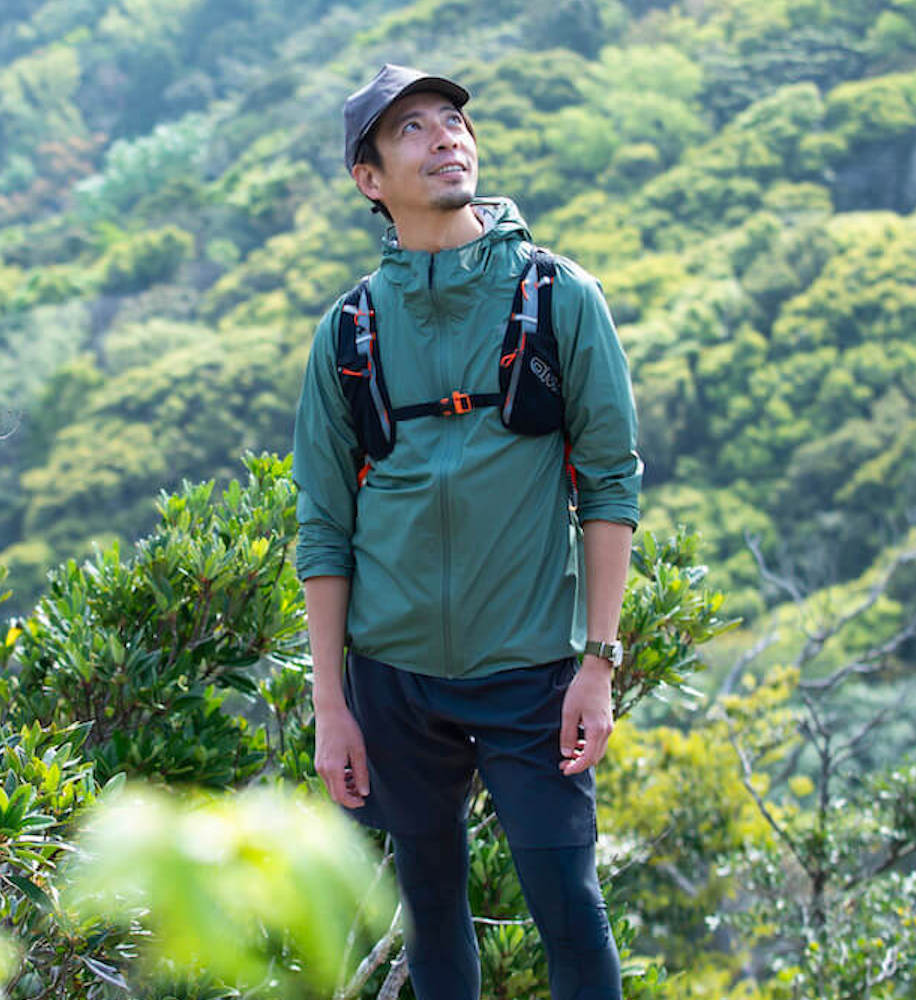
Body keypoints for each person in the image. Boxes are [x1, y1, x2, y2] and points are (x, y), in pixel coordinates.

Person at [291, 63, 641, 1000]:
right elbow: (325, 529)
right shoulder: (348, 333)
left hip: (529, 672)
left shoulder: (560, 297)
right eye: (411, 129)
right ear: (370, 179)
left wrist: (596, 665)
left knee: (570, 907)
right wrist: (334, 703)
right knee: (432, 915)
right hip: (395, 681)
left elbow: (610, 485)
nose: (446, 136)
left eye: (452, 119)